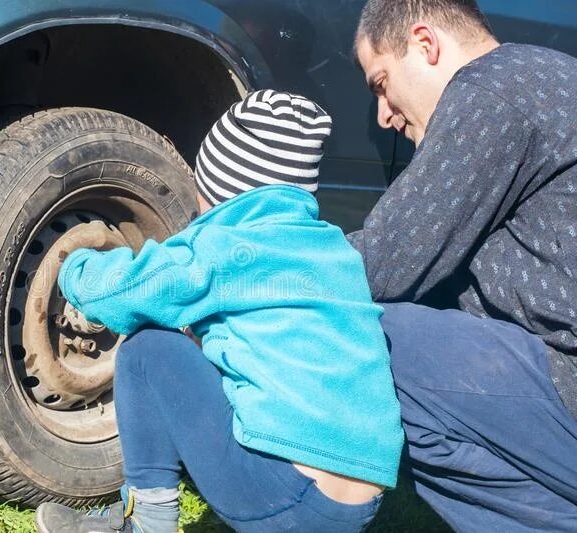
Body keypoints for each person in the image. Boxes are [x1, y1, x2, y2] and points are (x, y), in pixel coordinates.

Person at [34, 90, 404, 533]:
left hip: (282, 493)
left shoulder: (228, 246)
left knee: (150, 349)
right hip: (357, 502)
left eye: (201, 194)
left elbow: (129, 291)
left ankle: (145, 523)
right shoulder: (333, 251)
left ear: (224, 195)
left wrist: (76, 268)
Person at [349, 0, 577, 530]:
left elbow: (384, 262)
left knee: (375, 340)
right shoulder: (549, 75)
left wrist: (252, 269)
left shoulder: (490, 88)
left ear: (425, 44)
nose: (384, 114)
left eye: (381, 83)